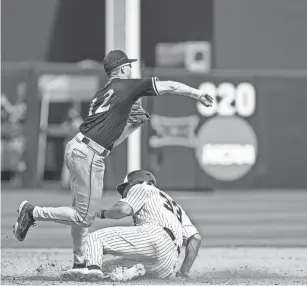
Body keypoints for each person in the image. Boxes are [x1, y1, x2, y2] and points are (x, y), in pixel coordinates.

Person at [12, 50, 212, 276]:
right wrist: (197, 94)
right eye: (129, 66)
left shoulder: (102, 94)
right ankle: (33, 212)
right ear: (123, 68)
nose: (131, 69)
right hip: (88, 153)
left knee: (81, 214)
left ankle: (80, 264)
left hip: (81, 148)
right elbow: (170, 87)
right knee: (84, 216)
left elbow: (108, 139)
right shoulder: (127, 86)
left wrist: (131, 125)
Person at [68, 170, 201, 281]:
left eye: (126, 187)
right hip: (167, 265)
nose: (125, 191)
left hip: (156, 236)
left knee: (95, 238)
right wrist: (184, 272)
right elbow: (195, 239)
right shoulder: (175, 206)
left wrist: (101, 213)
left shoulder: (141, 187)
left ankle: (93, 274)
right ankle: (132, 272)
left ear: (134, 182)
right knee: (106, 268)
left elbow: (124, 210)